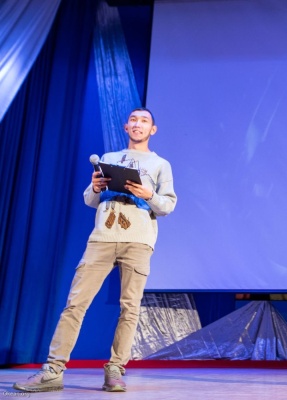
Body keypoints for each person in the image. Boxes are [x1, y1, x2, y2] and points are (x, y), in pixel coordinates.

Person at [14, 107, 177, 393]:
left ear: (153, 130)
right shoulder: (109, 158)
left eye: (144, 121)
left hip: (138, 240)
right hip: (102, 237)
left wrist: (148, 194)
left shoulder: (160, 164)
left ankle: (115, 370)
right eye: (133, 120)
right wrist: (96, 187)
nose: (138, 124)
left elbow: (168, 205)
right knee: (75, 304)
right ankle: (53, 370)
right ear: (126, 127)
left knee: (130, 307)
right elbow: (90, 200)